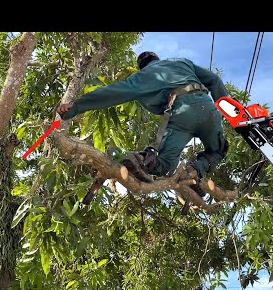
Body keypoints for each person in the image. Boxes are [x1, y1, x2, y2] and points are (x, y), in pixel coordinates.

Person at [57, 51, 229, 197]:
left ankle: (140, 160)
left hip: (181, 117)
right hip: (208, 110)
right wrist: (233, 113)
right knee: (218, 150)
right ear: (157, 59)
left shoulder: (143, 77)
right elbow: (214, 80)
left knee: (164, 165)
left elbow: (112, 93)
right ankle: (193, 173)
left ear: (142, 66)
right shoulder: (181, 62)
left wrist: (76, 106)